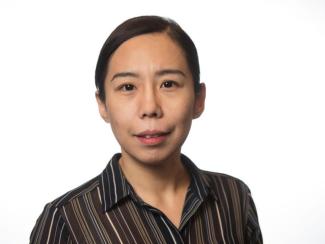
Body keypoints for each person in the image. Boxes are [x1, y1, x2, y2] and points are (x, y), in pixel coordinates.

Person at [30, 15, 263, 244]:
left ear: (198, 99)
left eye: (168, 84)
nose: (150, 107)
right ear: (103, 104)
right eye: (128, 86)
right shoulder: (65, 220)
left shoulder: (234, 197)